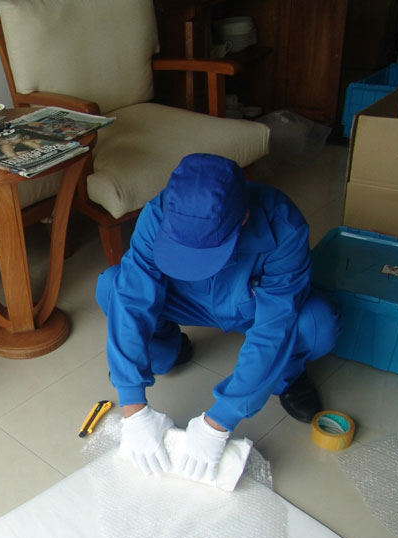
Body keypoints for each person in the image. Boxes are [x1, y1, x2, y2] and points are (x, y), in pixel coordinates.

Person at [96, 153, 339, 483]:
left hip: (251, 309)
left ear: (244, 218)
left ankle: (287, 377)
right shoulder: (158, 214)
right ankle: (168, 347)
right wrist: (132, 407)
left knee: (318, 324)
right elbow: (132, 301)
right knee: (112, 286)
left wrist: (218, 423)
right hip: (186, 299)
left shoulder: (284, 227)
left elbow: (274, 328)